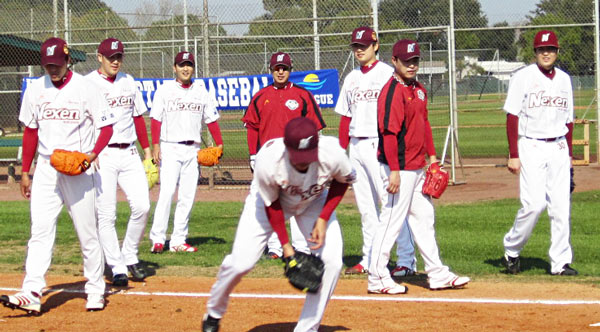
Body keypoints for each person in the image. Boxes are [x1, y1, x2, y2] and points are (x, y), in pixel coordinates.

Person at [202, 117, 356, 332]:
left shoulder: (332, 153)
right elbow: (272, 205)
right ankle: (214, 311)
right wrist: (286, 246)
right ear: (286, 147)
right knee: (241, 263)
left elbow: (342, 181)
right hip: (272, 202)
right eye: (298, 156)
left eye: (307, 156)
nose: (303, 161)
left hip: (313, 201)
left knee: (332, 261)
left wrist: (323, 217)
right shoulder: (269, 160)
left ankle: (307, 328)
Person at [0, 37, 116, 313]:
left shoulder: (86, 88)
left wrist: (92, 155)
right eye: (48, 64)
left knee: (87, 232)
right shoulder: (35, 89)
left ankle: (95, 288)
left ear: (67, 60)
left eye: (57, 63)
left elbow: (107, 127)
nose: (52, 69)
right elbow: (30, 132)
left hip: (78, 168)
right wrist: (25, 172)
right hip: (46, 168)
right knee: (39, 230)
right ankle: (31, 291)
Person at [367, 39, 470, 294]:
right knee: (391, 221)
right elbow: (388, 134)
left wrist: (433, 159)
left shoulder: (419, 89)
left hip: (417, 167)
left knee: (424, 219)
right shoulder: (391, 92)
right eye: (406, 61)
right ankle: (377, 277)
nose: (411, 65)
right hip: (398, 168)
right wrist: (393, 171)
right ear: (394, 61)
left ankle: (437, 274)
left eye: (414, 60)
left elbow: (424, 125)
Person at [335, 26, 417, 276]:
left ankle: (406, 259)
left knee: (391, 204)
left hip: (379, 143)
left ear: (376, 46)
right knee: (366, 207)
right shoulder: (351, 78)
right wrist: (341, 154)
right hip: (356, 146)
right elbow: (345, 118)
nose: (359, 50)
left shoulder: (387, 74)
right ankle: (370, 257)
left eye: (364, 46)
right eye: (356, 46)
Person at [502, 30, 577, 276]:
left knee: (560, 207)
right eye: (542, 49)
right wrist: (514, 153)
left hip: (558, 146)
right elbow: (512, 115)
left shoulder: (565, 79)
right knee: (533, 205)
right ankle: (512, 249)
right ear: (535, 52)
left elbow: (569, 121)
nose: (546, 53)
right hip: (531, 144)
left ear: (557, 52)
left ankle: (560, 262)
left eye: (551, 49)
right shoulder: (523, 76)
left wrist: (569, 156)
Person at [242, 51, 326, 259]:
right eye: (277, 68)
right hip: (268, 156)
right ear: (271, 70)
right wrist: (253, 154)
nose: (280, 72)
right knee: (269, 199)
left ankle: (301, 246)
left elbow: (315, 127)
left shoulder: (302, 94)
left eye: (284, 68)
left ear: (290, 70)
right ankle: (274, 247)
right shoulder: (261, 96)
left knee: (299, 199)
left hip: (296, 156)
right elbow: (252, 127)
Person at [86, 38, 151, 286]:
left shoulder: (128, 81)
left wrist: (146, 150)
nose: (115, 60)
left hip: (129, 152)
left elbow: (137, 117)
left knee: (142, 206)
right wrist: (90, 153)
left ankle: (129, 255)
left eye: (119, 56)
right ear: (99, 57)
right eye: (110, 56)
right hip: (103, 156)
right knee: (107, 214)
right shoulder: (88, 84)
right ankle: (116, 265)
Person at [149, 51, 223, 253]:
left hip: (193, 149)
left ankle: (178, 240)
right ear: (174, 68)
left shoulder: (201, 92)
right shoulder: (164, 90)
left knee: (187, 196)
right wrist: (155, 145)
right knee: (166, 194)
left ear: (193, 68)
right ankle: (158, 238)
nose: (185, 68)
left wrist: (220, 143)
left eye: (189, 64)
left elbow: (211, 119)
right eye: (182, 64)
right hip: (170, 147)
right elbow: (155, 119)